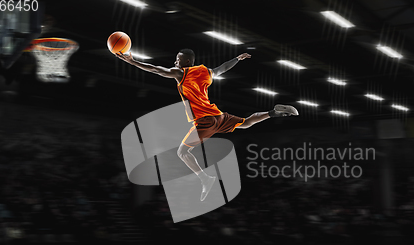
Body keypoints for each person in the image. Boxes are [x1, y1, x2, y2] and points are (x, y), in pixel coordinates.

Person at [116, 49, 298, 200]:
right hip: (218, 116)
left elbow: (156, 70)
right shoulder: (206, 72)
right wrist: (237, 59)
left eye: (178, 60)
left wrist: (133, 62)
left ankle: (205, 178)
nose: (175, 62)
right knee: (246, 123)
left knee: (182, 152)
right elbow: (223, 68)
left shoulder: (180, 73)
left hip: (204, 121)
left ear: (186, 61)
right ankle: (274, 112)